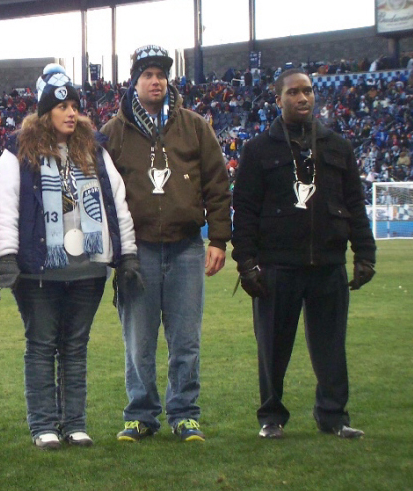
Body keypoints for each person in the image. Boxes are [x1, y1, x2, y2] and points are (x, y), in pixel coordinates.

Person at [0, 64, 140, 449]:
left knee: (75, 347)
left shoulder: (95, 150)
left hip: (88, 269)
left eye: (75, 106)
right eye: (62, 106)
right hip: (38, 271)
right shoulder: (17, 151)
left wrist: (127, 254)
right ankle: (43, 426)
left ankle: (74, 424)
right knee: (41, 346)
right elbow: (5, 206)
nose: (71, 113)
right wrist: (6, 256)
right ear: (45, 112)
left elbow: (117, 204)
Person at [232, 69, 376, 440]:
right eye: (293, 92)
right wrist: (246, 263)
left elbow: (355, 205)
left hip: (328, 263)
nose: (302, 98)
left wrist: (365, 253)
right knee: (272, 348)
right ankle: (271, 418)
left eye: (308, 91)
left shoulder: (337, 146)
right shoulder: (258, 150)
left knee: (331, 347)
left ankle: (333, 416)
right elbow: (244, 210)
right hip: (277, 265)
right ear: (277, 99)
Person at [100, 45, 231, 442]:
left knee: (186, 340)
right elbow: (102, 194)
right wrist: (114, 250)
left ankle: (184, 414)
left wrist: (219, 238)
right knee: (138, 342)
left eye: (161, 74)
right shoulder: (113, 132)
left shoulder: (194, 126)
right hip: (136, 251)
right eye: (147, 75)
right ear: (134, 81)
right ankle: (140, 415)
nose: (155, 81)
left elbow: (217, 184)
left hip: (186, 246)